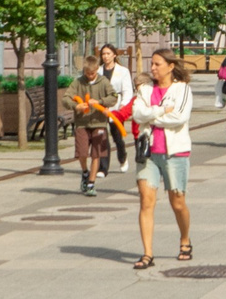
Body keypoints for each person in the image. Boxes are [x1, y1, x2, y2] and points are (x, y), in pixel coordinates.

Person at [121, 48, 194, 269]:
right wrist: (160, 111)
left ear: (171, 67)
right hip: (148, 153)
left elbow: (179, 117)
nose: (152, 68)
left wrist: (151, 116)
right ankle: (147, 254)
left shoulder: (182, 90)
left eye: (157, 64)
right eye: (151, 64)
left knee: (177, 202)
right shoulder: (145, 90)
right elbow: (137, 114)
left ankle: (184, 239)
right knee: (146, 200)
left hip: (175, 152)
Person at [73, 55, 124, 193]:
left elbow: (113, 96)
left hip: (99, 122)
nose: (90, 76)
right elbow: (67, 97)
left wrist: (100, 102)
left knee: (96, 154)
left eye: (92, 73)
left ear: (97, 70)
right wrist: (76, 106)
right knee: (82, 153)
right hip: (82, 123)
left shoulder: (103, 81)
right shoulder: (78, 82)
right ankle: (85, 172)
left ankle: (91, 183)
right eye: (87, 73)